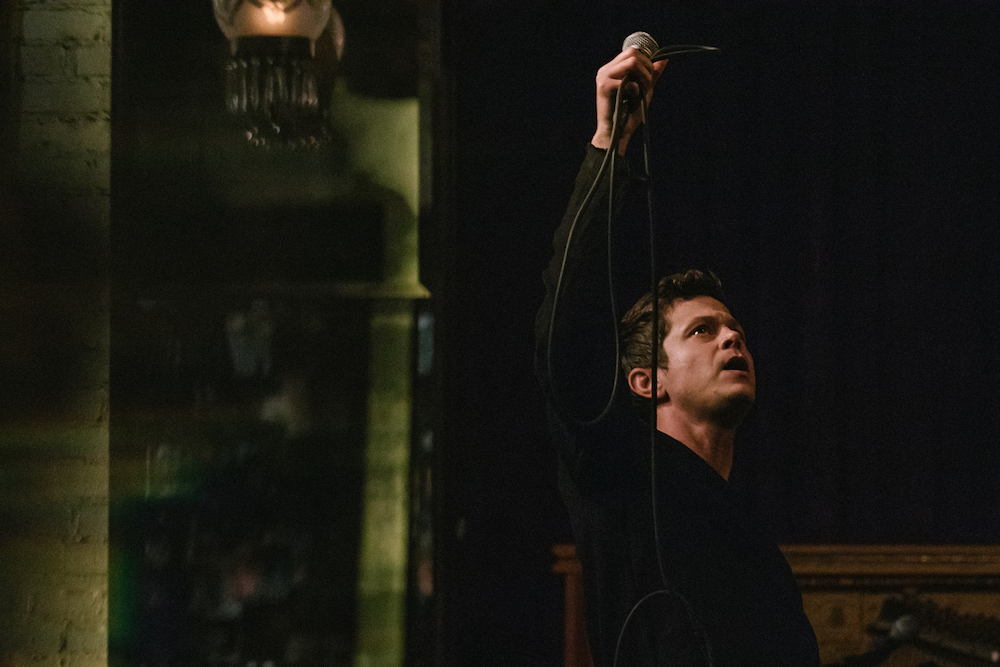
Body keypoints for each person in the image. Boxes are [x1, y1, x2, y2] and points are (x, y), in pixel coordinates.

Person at [535, 45, 821, 666]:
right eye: (702, 332)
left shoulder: (754, 546)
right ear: (645, 381)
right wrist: (611, 144)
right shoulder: (617, 476)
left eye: (734, 329)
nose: (732, 338)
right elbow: (568, 339)